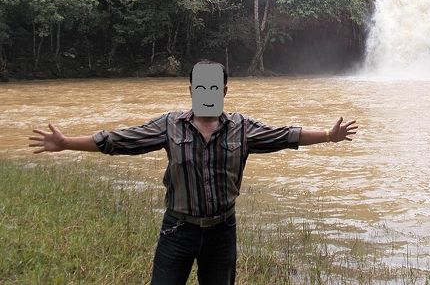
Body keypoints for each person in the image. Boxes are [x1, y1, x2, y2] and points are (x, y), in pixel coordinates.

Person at [28, 61, 357, 285]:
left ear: (225, 91)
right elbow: (120, 140)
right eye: (201, 87)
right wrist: (67, 142)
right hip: (178, 230)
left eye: (214, 88)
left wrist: (328, 136)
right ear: (190, 89)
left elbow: (287, 135)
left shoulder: (242, 129)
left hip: (222, 231)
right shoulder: (170, 125)